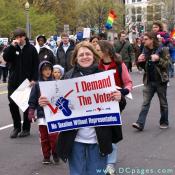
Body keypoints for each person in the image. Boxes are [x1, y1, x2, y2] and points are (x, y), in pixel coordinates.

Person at [38, 41, 123, 175]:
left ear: (94, 56)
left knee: (96, 173)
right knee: (77, 173)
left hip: (98, 138)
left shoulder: (105, 76)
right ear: (76, 58)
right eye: (81, 54)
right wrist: (45, 103)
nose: (85, 57)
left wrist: (119, 97)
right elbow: (57, 104)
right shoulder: (67, 77)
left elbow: (119, 105)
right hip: (75, 139)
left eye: (88, 53)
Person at [96, 40, 133, 175]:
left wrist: (121, 93)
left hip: (115, 104)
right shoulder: (95, 65)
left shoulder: (119, 65)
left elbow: (128, 83)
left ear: (105, 51)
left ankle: (110, 162)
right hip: (98, 104)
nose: (96, 52)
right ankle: (101, 157)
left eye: (98, 49)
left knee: (111, 132)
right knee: (99, 131)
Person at [3, 28, 39, 138]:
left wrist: (33, 79)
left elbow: (35, 65)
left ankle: (26, 129)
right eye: (17, 37)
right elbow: (6, 58)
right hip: (13, 81)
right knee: (12, 104)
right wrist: (12, 47)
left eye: (21, 36)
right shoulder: (12, 48)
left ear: (24, 36)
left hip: (27, 82)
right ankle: (16, 127)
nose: (19, 39)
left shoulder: (31, 49)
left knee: (26, 105)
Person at [132, 32, 169, 131]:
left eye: (146, 39)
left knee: (163, 103)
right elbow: (144, 67)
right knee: (145, 103)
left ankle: (164, 122)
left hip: (160, 81)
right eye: (143, 39)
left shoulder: (162, 49)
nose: (143, 41)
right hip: (149, 81)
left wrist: (158, 60)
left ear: (152, 39)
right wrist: (139, 61)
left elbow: (167, 64)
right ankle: (140, 123)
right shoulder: (145, 50)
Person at [28, 61, 59, 164]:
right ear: (41, 71)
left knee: (54, 138)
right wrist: (31, 111)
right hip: (42, 117)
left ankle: (55, 153)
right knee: (44, 138)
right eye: (45, 69)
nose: (48, 71)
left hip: (54, 115)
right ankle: (46, 156)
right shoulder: (37, 85)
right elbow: (32, 100)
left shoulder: (55, 84)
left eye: (49, 69)